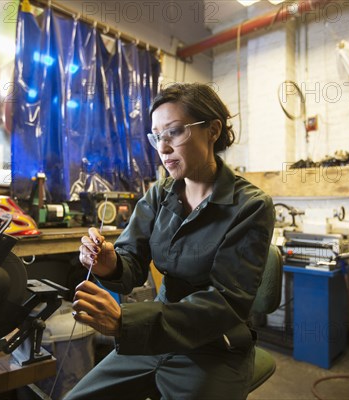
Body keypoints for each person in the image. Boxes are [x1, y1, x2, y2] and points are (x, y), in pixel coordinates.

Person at [64, 82, 275, 400]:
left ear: (212, 130)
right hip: (154, 336)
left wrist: (126, 323)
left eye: (174, 132)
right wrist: (111, 264)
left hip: (214, 346)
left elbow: (226, 303)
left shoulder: (250, 206)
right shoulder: (159, 194)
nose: (162, 148)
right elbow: (131, 258)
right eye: (156, 136)